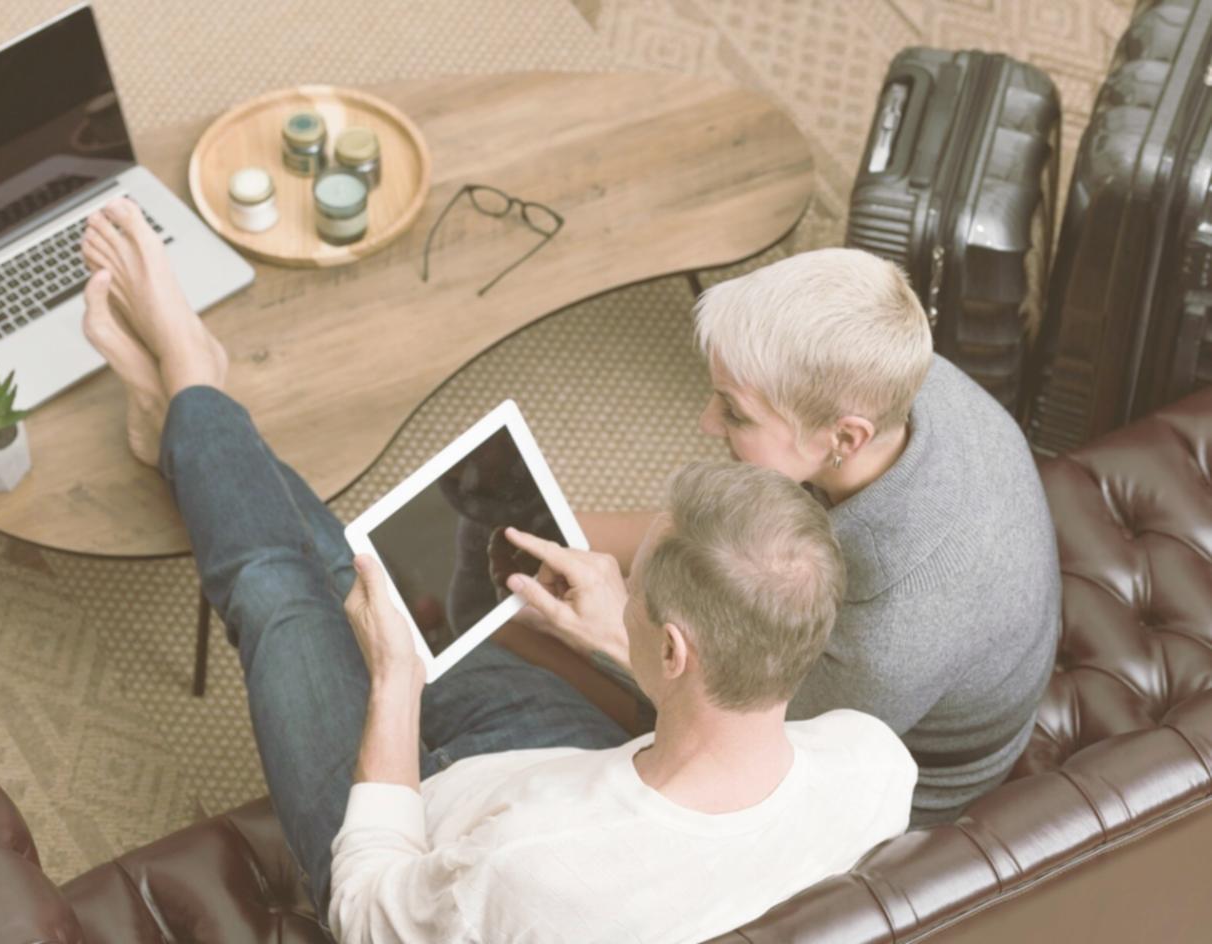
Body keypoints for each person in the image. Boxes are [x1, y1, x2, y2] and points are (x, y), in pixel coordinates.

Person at [77, 200, 916, 943]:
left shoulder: (532, 871)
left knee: (278, 590)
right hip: (577, 757)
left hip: (414, 832)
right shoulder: (875, 760)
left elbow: (366, 910)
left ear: (674, 651)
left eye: (632, 597)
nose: (615, 598)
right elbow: (722, 720)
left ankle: (193, 387)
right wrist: (614, 642)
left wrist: (395, 688)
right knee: (368, 572)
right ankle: (192, 419)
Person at [515, 248, 1061, 827]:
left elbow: (756, 738)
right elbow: (724, 519)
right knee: (533, 594)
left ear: (845, 439)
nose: (705, 422)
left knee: (518, 628)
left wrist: (614, 633)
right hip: (862, 664)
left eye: (735, 412)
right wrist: (546, 528)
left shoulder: (890, 632)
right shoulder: (893, 380)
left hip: (886, 772)